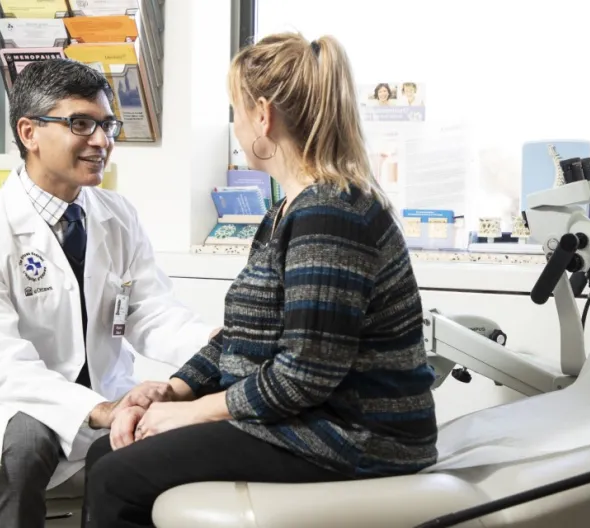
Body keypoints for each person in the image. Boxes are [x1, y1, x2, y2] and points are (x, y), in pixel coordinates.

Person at [83, 32, 438, 528]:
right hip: (315, 422)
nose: (234, 124)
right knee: (106, 457)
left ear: (263, 116)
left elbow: (304, 374)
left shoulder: (331, 214)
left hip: (357, 437)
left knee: (114, 477)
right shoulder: (287, 213)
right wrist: (173, 390)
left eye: (236, 111)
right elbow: (243, 338)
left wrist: (195, 412)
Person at [0, 59, 217, 528]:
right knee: (25, 442)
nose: (102, 141)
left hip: (105, 390)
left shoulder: (117, 215)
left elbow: (152, 314)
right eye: (80, 124)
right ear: (29, 132)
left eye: (107, 124)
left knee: (170, 435)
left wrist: (219, 346)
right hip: (5, 400)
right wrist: (98, 410)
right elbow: (3, 366)